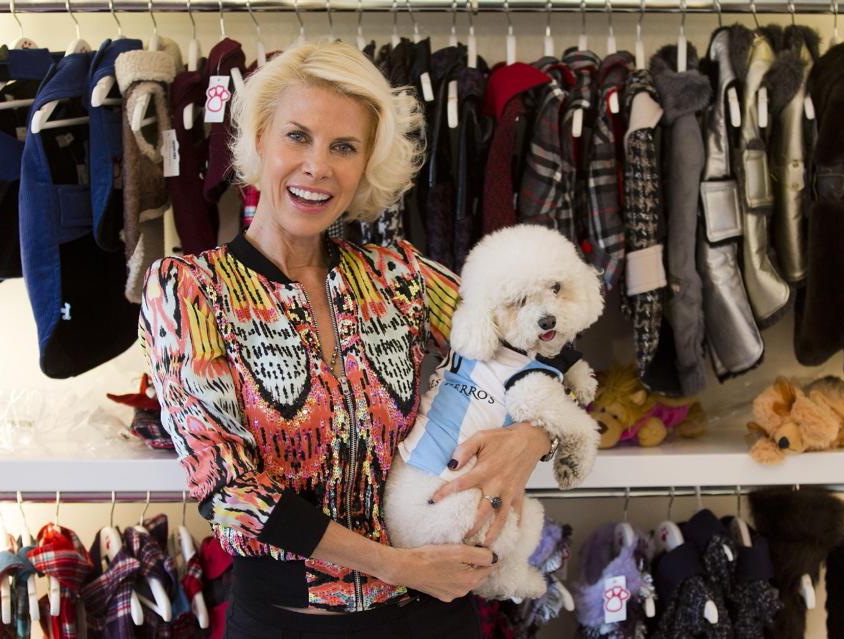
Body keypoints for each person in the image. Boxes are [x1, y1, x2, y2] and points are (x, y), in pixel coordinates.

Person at [139, 41, 555, 638]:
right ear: (260, 138)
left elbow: (547, 340)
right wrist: (397, 566)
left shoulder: (398, 274)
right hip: (290, 625)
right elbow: (228, 489)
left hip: (437, 616)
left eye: (344, 147)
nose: (318, 166)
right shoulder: (190, 289)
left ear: (365, 164)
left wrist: (531, 438)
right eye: (297, 136)